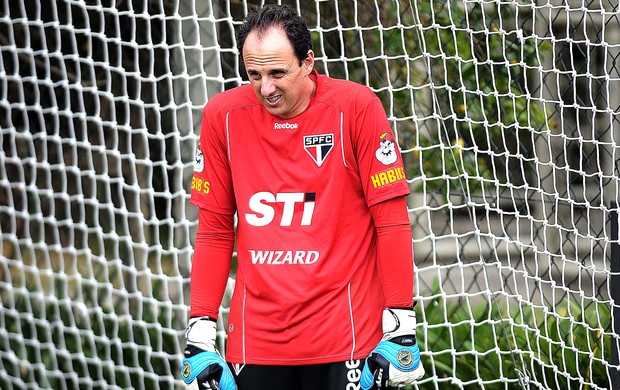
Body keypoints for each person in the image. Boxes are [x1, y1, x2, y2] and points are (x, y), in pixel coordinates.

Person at [181, 4, 425, 390]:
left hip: (347, 338)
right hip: (255, 343)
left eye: (278, 73)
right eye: (254, 75)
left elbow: (391, 220)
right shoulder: (221, 117)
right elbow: (213, 232)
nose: (266, 88)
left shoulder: (357, 108)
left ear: (308, 62)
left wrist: (400, 326)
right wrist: (199, 335)